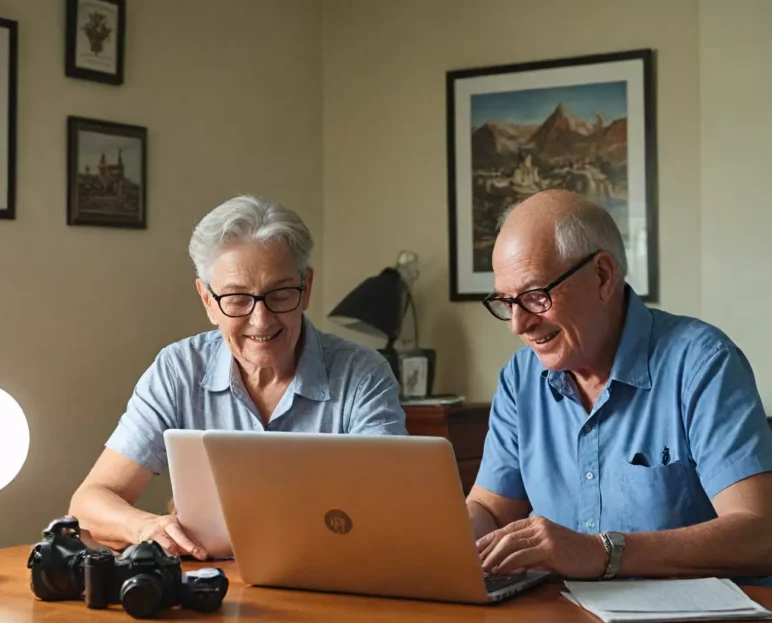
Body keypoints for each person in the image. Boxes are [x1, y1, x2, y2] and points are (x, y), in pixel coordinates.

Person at [70, 195, 406, 559]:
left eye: (279, 294)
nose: (260, 320)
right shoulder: (177, 370)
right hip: (210, 593)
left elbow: (392, 509)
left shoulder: (363, 375)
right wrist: (145, 527)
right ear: (208, 301)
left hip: (331, 581)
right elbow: (89, 502)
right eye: (236, 299)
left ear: (306, 288)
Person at [468, 189, 772, 582]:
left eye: (535, 296)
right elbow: (490, 510)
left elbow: (759, 534)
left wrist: (601, 552)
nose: (518, 325)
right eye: (507, 302)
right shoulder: (520, 378)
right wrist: (447, 538)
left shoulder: (702, 363)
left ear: (603, 275)